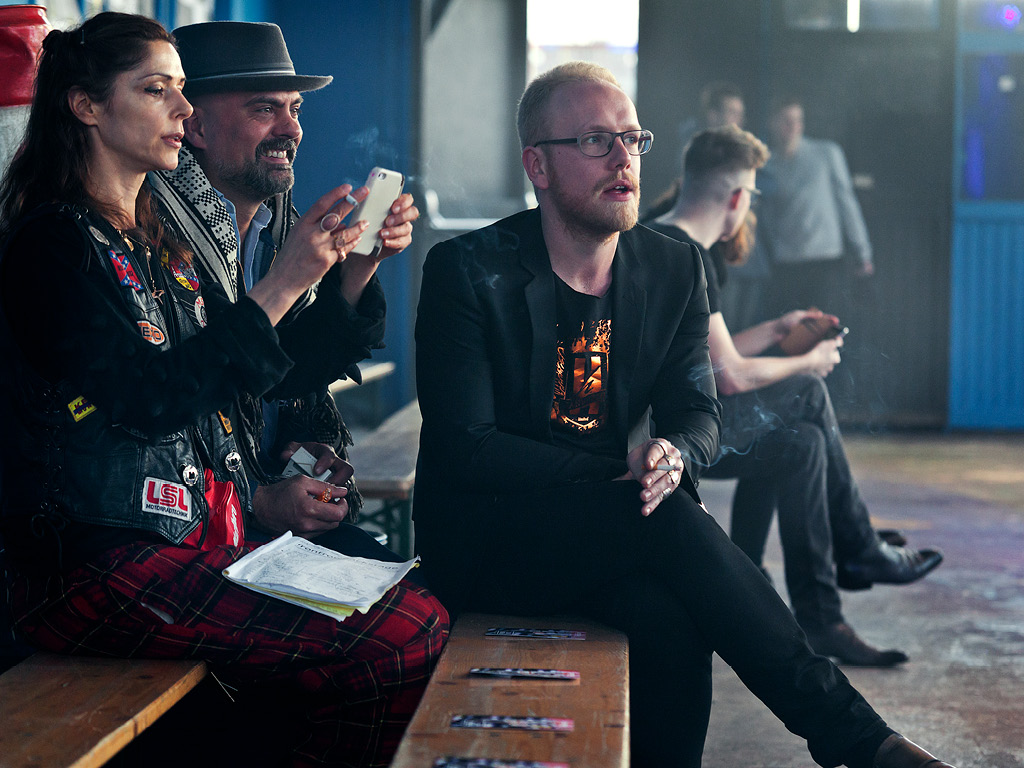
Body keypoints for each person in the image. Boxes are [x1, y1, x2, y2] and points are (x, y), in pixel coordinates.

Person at [413, 60, 954, 768]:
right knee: (664, 520)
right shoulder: (467, 270)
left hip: (610, 533)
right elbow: (468, 450)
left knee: (671, 619)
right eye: (596, 141)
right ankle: (858, 740)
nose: (623, 158)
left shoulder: (672, 267)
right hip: (491, 541)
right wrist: (621, 471)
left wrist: (674, 453)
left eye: (634, 140)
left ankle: (852, 742)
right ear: (537, 166)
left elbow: (698, 412)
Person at [0, 13, 447, 768]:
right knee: (408, 635)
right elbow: (150, 401)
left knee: (423, 614)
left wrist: (345, 274)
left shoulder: (151, 239)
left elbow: (247, 379)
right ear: (84, 106)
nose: (181, 109)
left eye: (182, 91)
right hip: (94, 567)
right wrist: (283, 285)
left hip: (183, 546)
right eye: (158, 90)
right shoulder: (53, 241)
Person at [647, 126, 944, 666]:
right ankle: (860, 549)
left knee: (802, 442)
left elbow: (708, 355)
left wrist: (779, 328)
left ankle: (823, 619)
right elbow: (729, 377)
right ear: (738, 198)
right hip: (678, 440)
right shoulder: (690, 255)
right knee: (806, 390)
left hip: (676, 424)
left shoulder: (658, 236)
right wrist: (806, 359)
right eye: (753, 195)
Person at [148, 21, 420, 543]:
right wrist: (257, 498)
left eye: (295, 109)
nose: (291, 129)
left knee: (404, 586)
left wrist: (362, 263)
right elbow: (163, 405)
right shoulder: (152, 233)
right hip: (193, 530)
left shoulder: (279, 223)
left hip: (270, 503)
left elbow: (288, 374)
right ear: (195, 127)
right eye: (264, 108)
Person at [758, 95, 874, 318]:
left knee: (825, 331)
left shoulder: (827, 153)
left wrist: (863, 253)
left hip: (825, 261)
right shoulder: (767, 165)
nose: (793, 127)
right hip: (786, 264)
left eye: (797, 120)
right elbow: (766, 217)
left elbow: (847, 202)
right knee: (789, 335)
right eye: (786, 120)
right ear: (773, 123)